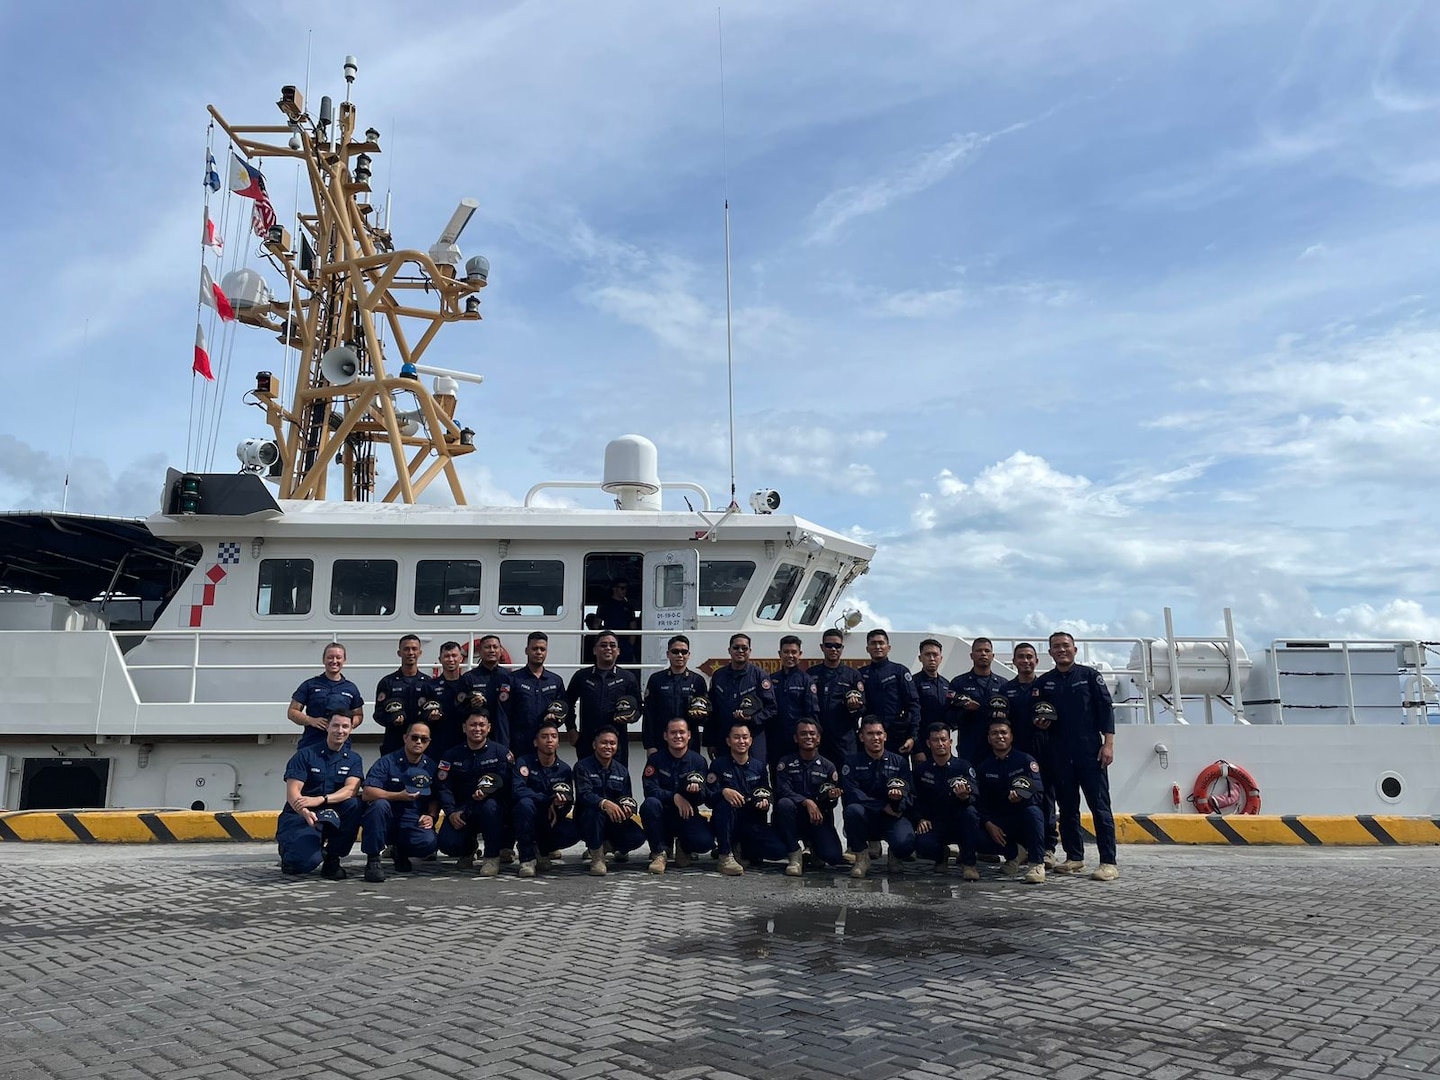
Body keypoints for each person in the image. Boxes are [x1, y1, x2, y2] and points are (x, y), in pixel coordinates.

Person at [1035, 631, 1119, 881]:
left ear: (1075, 649)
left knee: (1100, 807)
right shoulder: (1045, 682)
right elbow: (1037, 713)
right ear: (1050, 652)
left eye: (1065, 646)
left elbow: (1106, 710)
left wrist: (1109, 744)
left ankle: (1108, 862)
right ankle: (1074, 857)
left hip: (1090, 752)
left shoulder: (1090, 676)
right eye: (1056, 647)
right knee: (1067, 808)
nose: (1061, 650)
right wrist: (1039, 723)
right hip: (1059, 753)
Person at [277, 711, 364, 877]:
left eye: (345, 726)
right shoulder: (306, 755)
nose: (340, 731)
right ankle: (290, 851)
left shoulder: (353, 759)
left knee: (355, 804)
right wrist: (305, 812)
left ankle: (333, 858)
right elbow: (293, 792)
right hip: (302, 814)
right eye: (336, 725)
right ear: (327, 727)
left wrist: (321, 799)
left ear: (351, 729)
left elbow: (351, 790)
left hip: (332, 812)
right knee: (303, 863)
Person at [359, 719, 440, 883]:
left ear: (429, 742)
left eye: (424, 739)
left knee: (428, 843)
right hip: (386, 818)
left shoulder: (431, 766)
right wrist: (397, 796)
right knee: (378, 805)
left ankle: (401, 851)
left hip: (411, 819)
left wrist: (431, 815)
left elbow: (435, 797)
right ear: (405, 738)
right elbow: (367, 793)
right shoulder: (387, 762)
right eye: (414, 737)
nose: (418, 742)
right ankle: (373, 859)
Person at [435, 709, 513, 876]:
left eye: (481, 725)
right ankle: (469, 849)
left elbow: (507, 785)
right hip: (462, 810)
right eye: (472, 725)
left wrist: (489, 795)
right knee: (447, 843)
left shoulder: (501, 753)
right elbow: (444, 787)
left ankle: (491, 857)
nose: (477, 729)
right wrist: (450, 813)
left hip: (492, 808)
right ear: (464, 728)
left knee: (489, 807)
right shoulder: (451, 755)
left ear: (489, 727)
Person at [1002, 642, 1059, 864]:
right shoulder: (1006, 690)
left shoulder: (1046, 686)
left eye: (1029, 657)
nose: (1025, 661)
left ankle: (1048, 848)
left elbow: (1058, 717)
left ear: (1037, 661)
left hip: (1044, 751)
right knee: (1017, 797)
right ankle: (1023, 847)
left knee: (1046, 798)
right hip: (1016, 754)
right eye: (1021, 657)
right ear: (1014, 661)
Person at [708, 721, 788, 876]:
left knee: (779, 851)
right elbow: (709, 797)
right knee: (725, 802)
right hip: (727, 822)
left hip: (751, 823)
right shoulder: (718, 765)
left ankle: (742, 850)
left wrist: (765, 802)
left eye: (745, 737)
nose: (741, 741)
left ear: (751, 740)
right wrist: (723, 791)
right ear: (728, 741)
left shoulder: (759, 767)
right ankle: (725, 855)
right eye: (736, 737)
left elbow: (765, 791)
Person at [974, 715, 1046, 884]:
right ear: (989, 739)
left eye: (1004, 733)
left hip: (1023, 818)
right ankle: (1014, 854)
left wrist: (1022, 799)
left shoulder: (1026, 761)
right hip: (999, 822)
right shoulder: (984, 767)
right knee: (974, 834)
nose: (1000, 736)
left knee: (1034, 812)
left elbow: (1039, 793)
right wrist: (988, 824)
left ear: (1011, 736)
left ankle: (1036, 864)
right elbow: (980, 802)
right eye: (995, 733)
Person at [842, 715, 917, 878]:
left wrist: (898, 802)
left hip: (893, 817)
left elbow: (909, 793)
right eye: (870, 734)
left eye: (879, 733)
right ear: (861, 737)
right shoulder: (851, 762)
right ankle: (862, 858)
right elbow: (852, 793)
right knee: (852, 810)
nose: (875, 738)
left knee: (906, 844)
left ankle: (895, 854)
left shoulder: (899, 762)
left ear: (885, 736)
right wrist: (882, 806)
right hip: (866, 817)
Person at [639, 717, 714, 874]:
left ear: (689, 735)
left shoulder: (698, 761)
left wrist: (696, 792)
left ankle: (684, 847)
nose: (678, 736)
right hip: (663, 815)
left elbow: (705, 797)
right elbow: (650, 789)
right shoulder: (656, 759)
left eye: (681, 732)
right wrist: (674, 796)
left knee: (705, 842)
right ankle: (659, 853)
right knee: (649, 805)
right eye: (673, 733)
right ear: (665, 736)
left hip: (687, 814)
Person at [774, 718, 845, 876]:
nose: (808, 737)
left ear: (819, 738)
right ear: (796, 738)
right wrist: (806, 802)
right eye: (803, 734)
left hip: (817, 820)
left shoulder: (828, 767)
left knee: (833, 857)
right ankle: (794, 854)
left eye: (812, 734)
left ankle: (814, 847)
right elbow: (782, 791)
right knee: (784, 804)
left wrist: (832, 798)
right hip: (793, 817)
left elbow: (831, 804)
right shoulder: (785, 763)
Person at [910, 723, 981, 879]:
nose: (940, 744)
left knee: (970, 814)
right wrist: (920, 818)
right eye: (935, 740)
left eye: (943, 739)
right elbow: (914, 799)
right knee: (922, 845)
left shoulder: (963, 767)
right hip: (934, 822)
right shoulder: (921, 770)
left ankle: (969, 864)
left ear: (951, 742)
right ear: (928, 743)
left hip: (959, 821)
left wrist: (965, 797)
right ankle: (941, 855)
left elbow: (976, 796)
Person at [511, 719, 580, 878]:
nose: (549, 740)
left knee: (575, 829)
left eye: (554, 736)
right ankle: (527, 859)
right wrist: (547, 799)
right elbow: (517, 790)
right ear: (536, 742)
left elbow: (569, 800)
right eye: (544, 736)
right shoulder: (524, 762)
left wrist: (559, 806)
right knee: (525, 804)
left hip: (550, 819)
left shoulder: (564, 770)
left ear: (558, 742)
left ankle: (542, 851)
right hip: (526, 817)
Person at [574, 726, 645, 875]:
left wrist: (627, 809)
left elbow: (627, 798)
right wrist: (605, 803)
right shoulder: (582, 766)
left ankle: (606, 846)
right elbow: (584, 794)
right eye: (604, 743)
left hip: (613, 820)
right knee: (595, 812)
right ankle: (597, 858)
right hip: (588, 819)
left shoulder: (622, 770)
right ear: (594, 745)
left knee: (638, 836)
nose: (608, 746)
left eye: (612, 743)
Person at [706, 633, 777, 763]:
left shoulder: (760, 676)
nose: (740, 651)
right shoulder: (719, 676)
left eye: (744, 648)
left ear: (750, 651)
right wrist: (711, 741)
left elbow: (771, 708)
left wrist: (752, 719)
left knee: (755, 778)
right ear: (729, 650)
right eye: (736, 647)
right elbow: (712, 711)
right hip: (725, 739)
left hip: (752, 739)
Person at [565, 633, 642, 750]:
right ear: (595, 650)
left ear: (618, 651)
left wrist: (631, 718)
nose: (608, 648)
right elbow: (568, 703)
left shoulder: (628, 677)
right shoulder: (581, 676)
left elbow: (638, 708)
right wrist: (571, 729)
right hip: (587, 740)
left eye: (612, 645)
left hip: (616, 742)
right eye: (603, 645)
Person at [287, 643, 364, 748]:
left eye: (338, 657)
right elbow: (292, 712)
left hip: (340, 746)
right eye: (330, 657)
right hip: (312, 744)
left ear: (344, 660)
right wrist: (311, 720)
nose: (334, 661)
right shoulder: (310, 685)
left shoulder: (351, 688)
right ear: (323, 660)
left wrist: (344, 725)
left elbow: (358, 715)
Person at [642, 635, 709, 755]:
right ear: (668, 654)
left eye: (684, 652)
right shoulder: (656, 680)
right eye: (675, 651)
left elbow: (706, 714)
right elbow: (649, 715)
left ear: (689, 654)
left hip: (690, 744)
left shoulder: (697, 681)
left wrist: (701, 717)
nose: (680, 655)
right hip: (661, 743)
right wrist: (650, 745)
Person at [374, 634, 439, 756]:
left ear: (420, 652)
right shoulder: (387, 682)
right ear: (399, 653)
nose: (410, 652)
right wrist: (392, 720)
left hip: (420, 742)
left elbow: (434, 711)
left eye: (414, 649)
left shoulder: (428, 682)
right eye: (406, 649)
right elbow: (378, 714)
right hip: (394, 741)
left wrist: (432, 717)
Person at [859, 629, 921, 756]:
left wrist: (912, 736)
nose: (877, 646)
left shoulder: (900, 671)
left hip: (897, 737)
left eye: (881, 643)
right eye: (873, 643)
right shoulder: (860, 674)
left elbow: (913, 705)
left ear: (888, 647)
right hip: (871, 738)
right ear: (867, 648)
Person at [506, 631, 567, 756]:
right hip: (519, 743)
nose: (539, 652)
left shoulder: (555, 680)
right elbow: (504, 715)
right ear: (526, 650)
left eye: (542, 649)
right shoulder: (513, 679)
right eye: (534, 648)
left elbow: (564, 708)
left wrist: (557, 720)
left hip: (545, 744)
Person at [812, 628, 865, 767]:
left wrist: (854, 708)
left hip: (844, 739)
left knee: (848, 779)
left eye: (837, 646)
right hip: (818, 739)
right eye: (829, 645)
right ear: (822, 647)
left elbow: (863, 706)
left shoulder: (852, 675)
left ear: (842, 648)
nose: (833, 649)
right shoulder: (811, 674)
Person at [950, 637, 1007, 765]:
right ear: (971, 655)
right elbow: (949, 717)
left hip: (996, 747)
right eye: (979, 651)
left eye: (987, 651)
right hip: (970, 746)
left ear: (993, 656)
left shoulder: (1003, 685)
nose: (983, 654)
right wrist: (965, 709)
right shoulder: (958, 683)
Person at [770, 635, 819, 776]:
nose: (790, 656)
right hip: (775, 740)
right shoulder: (771, 679)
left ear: (800, 655)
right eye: (786, 652)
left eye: (794, 652)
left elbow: (812, 713)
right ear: (780, 654)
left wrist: (812, 739)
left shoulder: (806, 680)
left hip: (797, 741)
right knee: (776, 775)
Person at [465, 634, 513, 747]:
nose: (491, 650)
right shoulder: (469, 678)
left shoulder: (509, 677)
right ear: (480, 651)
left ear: (501, 651)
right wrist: (471, 704)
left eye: (495, 647)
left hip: (502, 734)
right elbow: (461, 708)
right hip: (477, 735)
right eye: (487, 647)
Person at [429, 639, 473, 757]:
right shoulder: (430, 686)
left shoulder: (469, 685)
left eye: (454, 655)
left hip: (464, 742)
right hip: (439, 743)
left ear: (460, 658)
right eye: (447, 656)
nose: (451, 659)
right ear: (440, 659)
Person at [912, 639, 951, 759]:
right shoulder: (913, 682)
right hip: (922, 744)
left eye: (935, 654)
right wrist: (917, 749)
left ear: (941, 658)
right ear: (920, 658)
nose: (932, 658)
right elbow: (911, 717)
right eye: (927, 654)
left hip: (942, 744)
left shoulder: (946, 684)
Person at [595, 580, 639, 663]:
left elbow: (633, 626)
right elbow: (597, 624)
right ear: (614, 589)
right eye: (622, 588)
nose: (625, 591)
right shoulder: (605, 604)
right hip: (608, 640)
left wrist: (630, 645)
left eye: (626, 588)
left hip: (624, 642)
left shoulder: (628, 606)